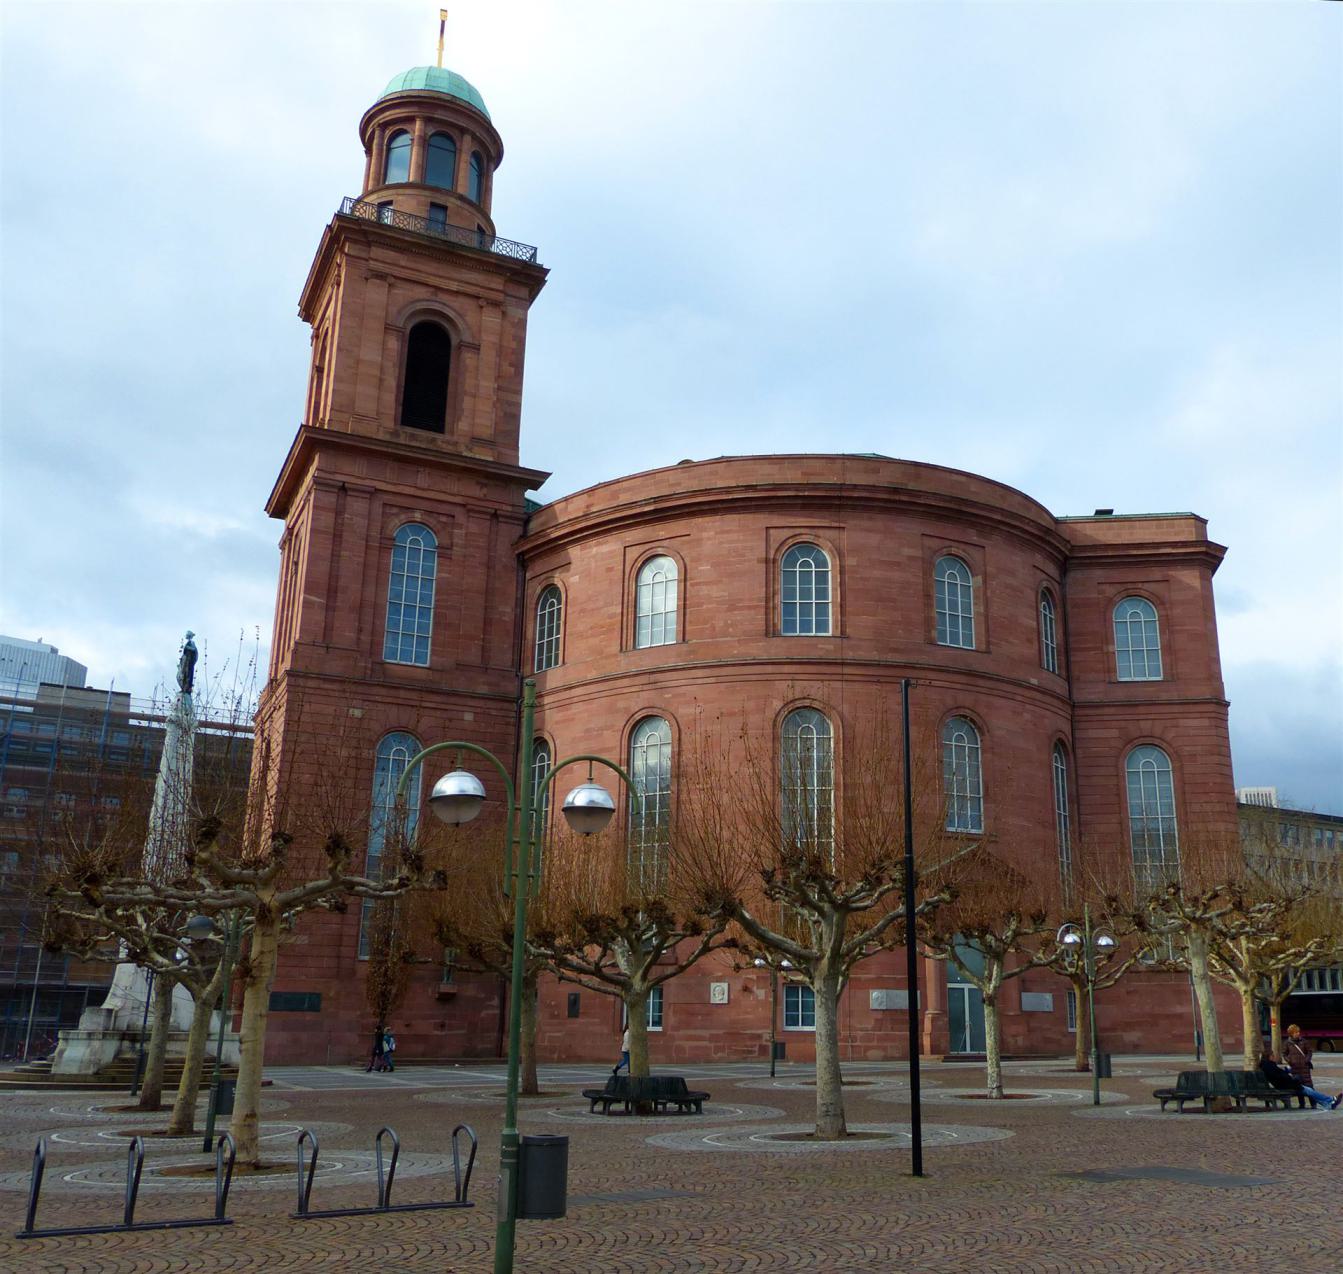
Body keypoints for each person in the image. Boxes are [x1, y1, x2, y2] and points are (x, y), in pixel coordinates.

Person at [1258, 1048, 1342, 1110]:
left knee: (1308, 1090)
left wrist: (1286, 1072)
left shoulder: (1267, 1066)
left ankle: (1329, 1103)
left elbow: (1279, 1075)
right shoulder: (1269, 1066)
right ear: (1269, 1057)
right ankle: (1330, 1100)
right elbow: (1279, 1076)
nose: (1274, 1056)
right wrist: (1291, 1078)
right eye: (1272, 1055)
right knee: (1308, 1090)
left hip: (1284, 1084)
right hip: (1285, 1086)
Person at [1283, 1025, 1316, 1108]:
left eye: (1298, 1032)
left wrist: (1307, 1060)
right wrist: (1289, 1060)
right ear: (1291, 1033)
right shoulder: (1287, 1043)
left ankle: (1313, 1103)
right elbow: (1284, 1053)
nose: (1298, 1033)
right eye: (1296, 1032)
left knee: (1309, 1085)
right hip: (1295, 1067)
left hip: (1304, 1067)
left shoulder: (1304, 1041)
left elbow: (1309, 1051)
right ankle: (1302, 1103)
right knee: (1298, 1086)